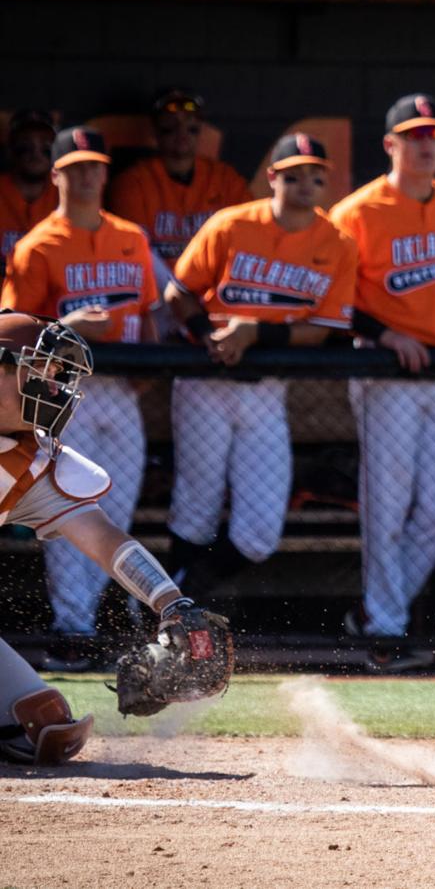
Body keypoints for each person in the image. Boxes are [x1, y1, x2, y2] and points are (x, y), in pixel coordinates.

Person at [0, 311, 216, 764]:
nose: (54, 388)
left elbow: (103, 539)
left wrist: (171, 604)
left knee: (40, 723)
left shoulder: (33, 460)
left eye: (58, 375)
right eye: (41, 372)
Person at [329, 94, 435, 671]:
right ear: (390, 144)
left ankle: (378, 614)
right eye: (414, 134)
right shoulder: (357, 211)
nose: (426, 144)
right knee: (389, 503)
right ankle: (384, 631)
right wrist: (383, 335)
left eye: (434, 134)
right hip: (387, 372)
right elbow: (334, 299)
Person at [162, 134, 357, 605]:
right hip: (208, 382)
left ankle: (181, 598)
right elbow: (178, 291)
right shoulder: (231, 224)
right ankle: (163, 612)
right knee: (195, 509)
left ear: (326, 181)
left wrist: (254, 333)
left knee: (260, 531)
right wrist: (208, 335)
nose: (304, 184)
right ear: (272, 178)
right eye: (292, 175)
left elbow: (325, 328)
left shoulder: (337, 242)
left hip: (268, 389)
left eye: (314, 175)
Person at [2, 126, 161, 671]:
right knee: (67, 505)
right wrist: (63, 326)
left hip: (121, 390)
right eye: (76, 167)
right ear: (57, 174)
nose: (88, 175)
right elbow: (10, 332)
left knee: (112, 507)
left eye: (95, 165)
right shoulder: (37, 244)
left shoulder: (131, 237)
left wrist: (152, 363)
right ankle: (73, 629)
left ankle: (96, 621)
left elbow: (148, 312)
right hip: (61, 395)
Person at [107, 89, 251, 339]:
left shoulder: (224, 179)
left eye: (191, 128)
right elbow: (131, 253)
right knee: (137, 243)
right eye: (170, 128)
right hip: (160, 301)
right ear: (155, 133)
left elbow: (251, 238)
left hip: (210, 293)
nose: (182, 134)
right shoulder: (134, 181)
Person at [0, 110, 59, 280]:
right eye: (25, 144)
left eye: (45, 145)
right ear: (10, 149)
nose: (36, 152)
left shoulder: (66, 192)